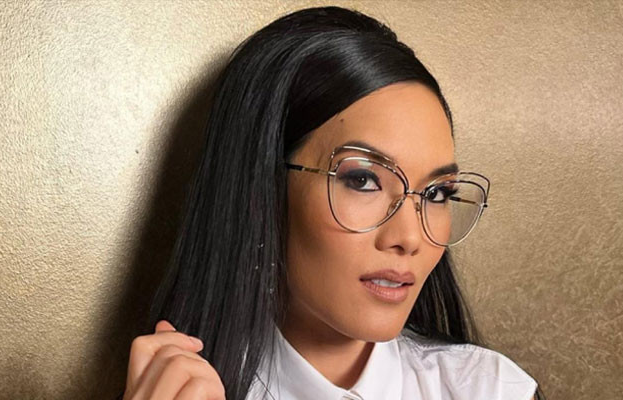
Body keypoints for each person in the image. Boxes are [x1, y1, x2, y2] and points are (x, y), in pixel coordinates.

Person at [120, 6, 544, 400]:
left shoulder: (489, 390)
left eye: (436, 194)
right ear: (263, 187)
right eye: (363, 180)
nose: (411, 238)